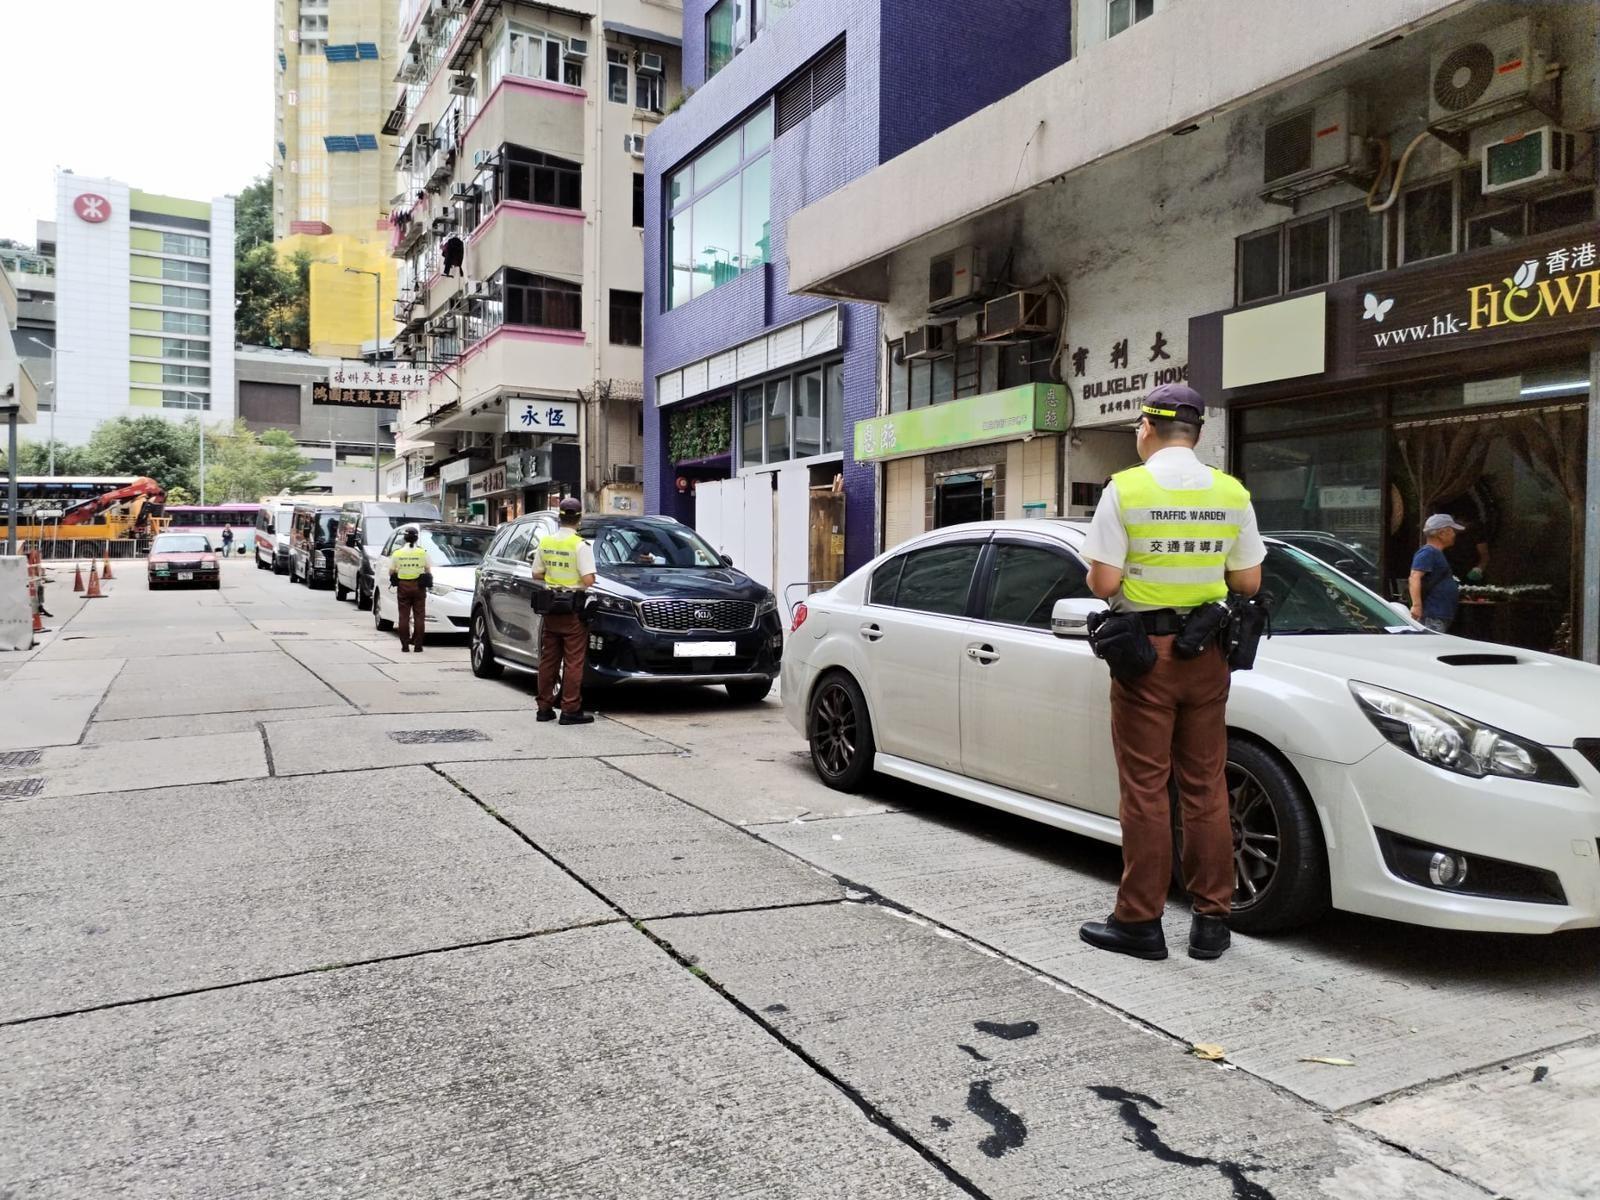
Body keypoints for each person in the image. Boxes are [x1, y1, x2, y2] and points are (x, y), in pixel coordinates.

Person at [1078, 383, 1265, 963]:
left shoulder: (1126, 489)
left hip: (1146, 659)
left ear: (1147, 429)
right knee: (1206, 788)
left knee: (1145, 790)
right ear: (1199, 434)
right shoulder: (1232, 492)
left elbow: (1104, 584)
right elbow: (1248, 584)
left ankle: (1140, 921)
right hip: (1208, 656)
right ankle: (1213, 921)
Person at [532, 498, 597, 726]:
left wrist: (554, 577)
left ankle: (544, 708)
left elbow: (536, 574)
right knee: (573, 661)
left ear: (559, 517)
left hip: (550, 608)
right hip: (572, 609)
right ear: (579, 518)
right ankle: (570, 710)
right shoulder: (580, 545)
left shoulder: (546, 542)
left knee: (548, 659)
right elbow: (589, 580)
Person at [1410, 514, 1464, 633]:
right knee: (1430, 645)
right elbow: (1414, 576)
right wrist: (1417, 606)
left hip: (1440, 613)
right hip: (1433, 614)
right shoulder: (1428, 552)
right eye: (1451, 531)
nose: (1454, 535)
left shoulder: (1436, 553)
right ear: (1442, 533)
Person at [388, 525, 432, 654]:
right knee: (419, 617)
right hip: (419, 586)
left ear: (405, 539)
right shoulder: (422, 552)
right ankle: (418, 646)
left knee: (403, 617)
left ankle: (405, 646)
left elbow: (391, 572)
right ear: (416, 539)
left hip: (403, 586)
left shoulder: (397, 553)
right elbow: (428, 570)